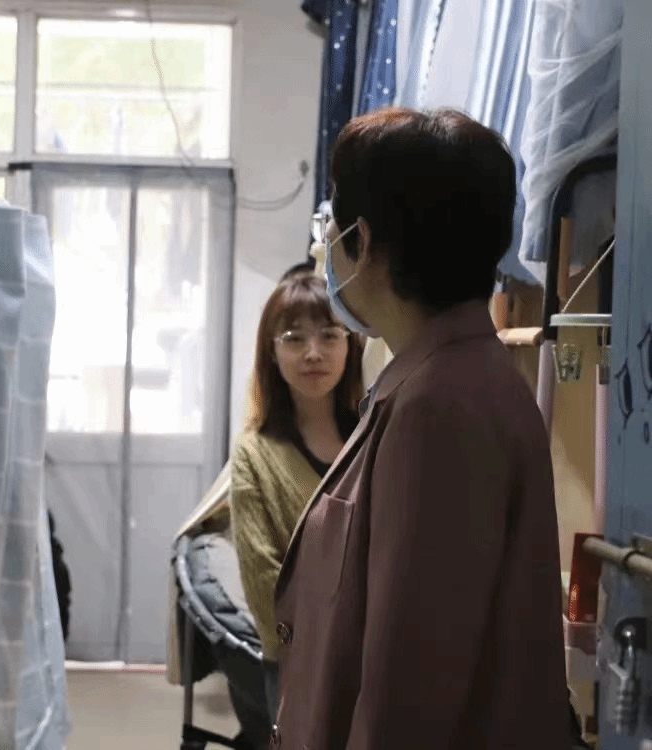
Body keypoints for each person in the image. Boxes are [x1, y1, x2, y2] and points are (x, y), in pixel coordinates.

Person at [271, 107, 569, 749]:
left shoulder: (441, 406)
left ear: (365, 239)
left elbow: (408, 696)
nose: (325, 248)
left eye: (329, 226)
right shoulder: (433, 379)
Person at [229, 270, 365, 731]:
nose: (313, 353)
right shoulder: (254, 454)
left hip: (376, 664)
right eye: (294, 338)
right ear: (272, 350)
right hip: (295, 667)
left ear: (350, 345)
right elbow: (264, 583)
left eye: (329, 335)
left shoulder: (375, 436)